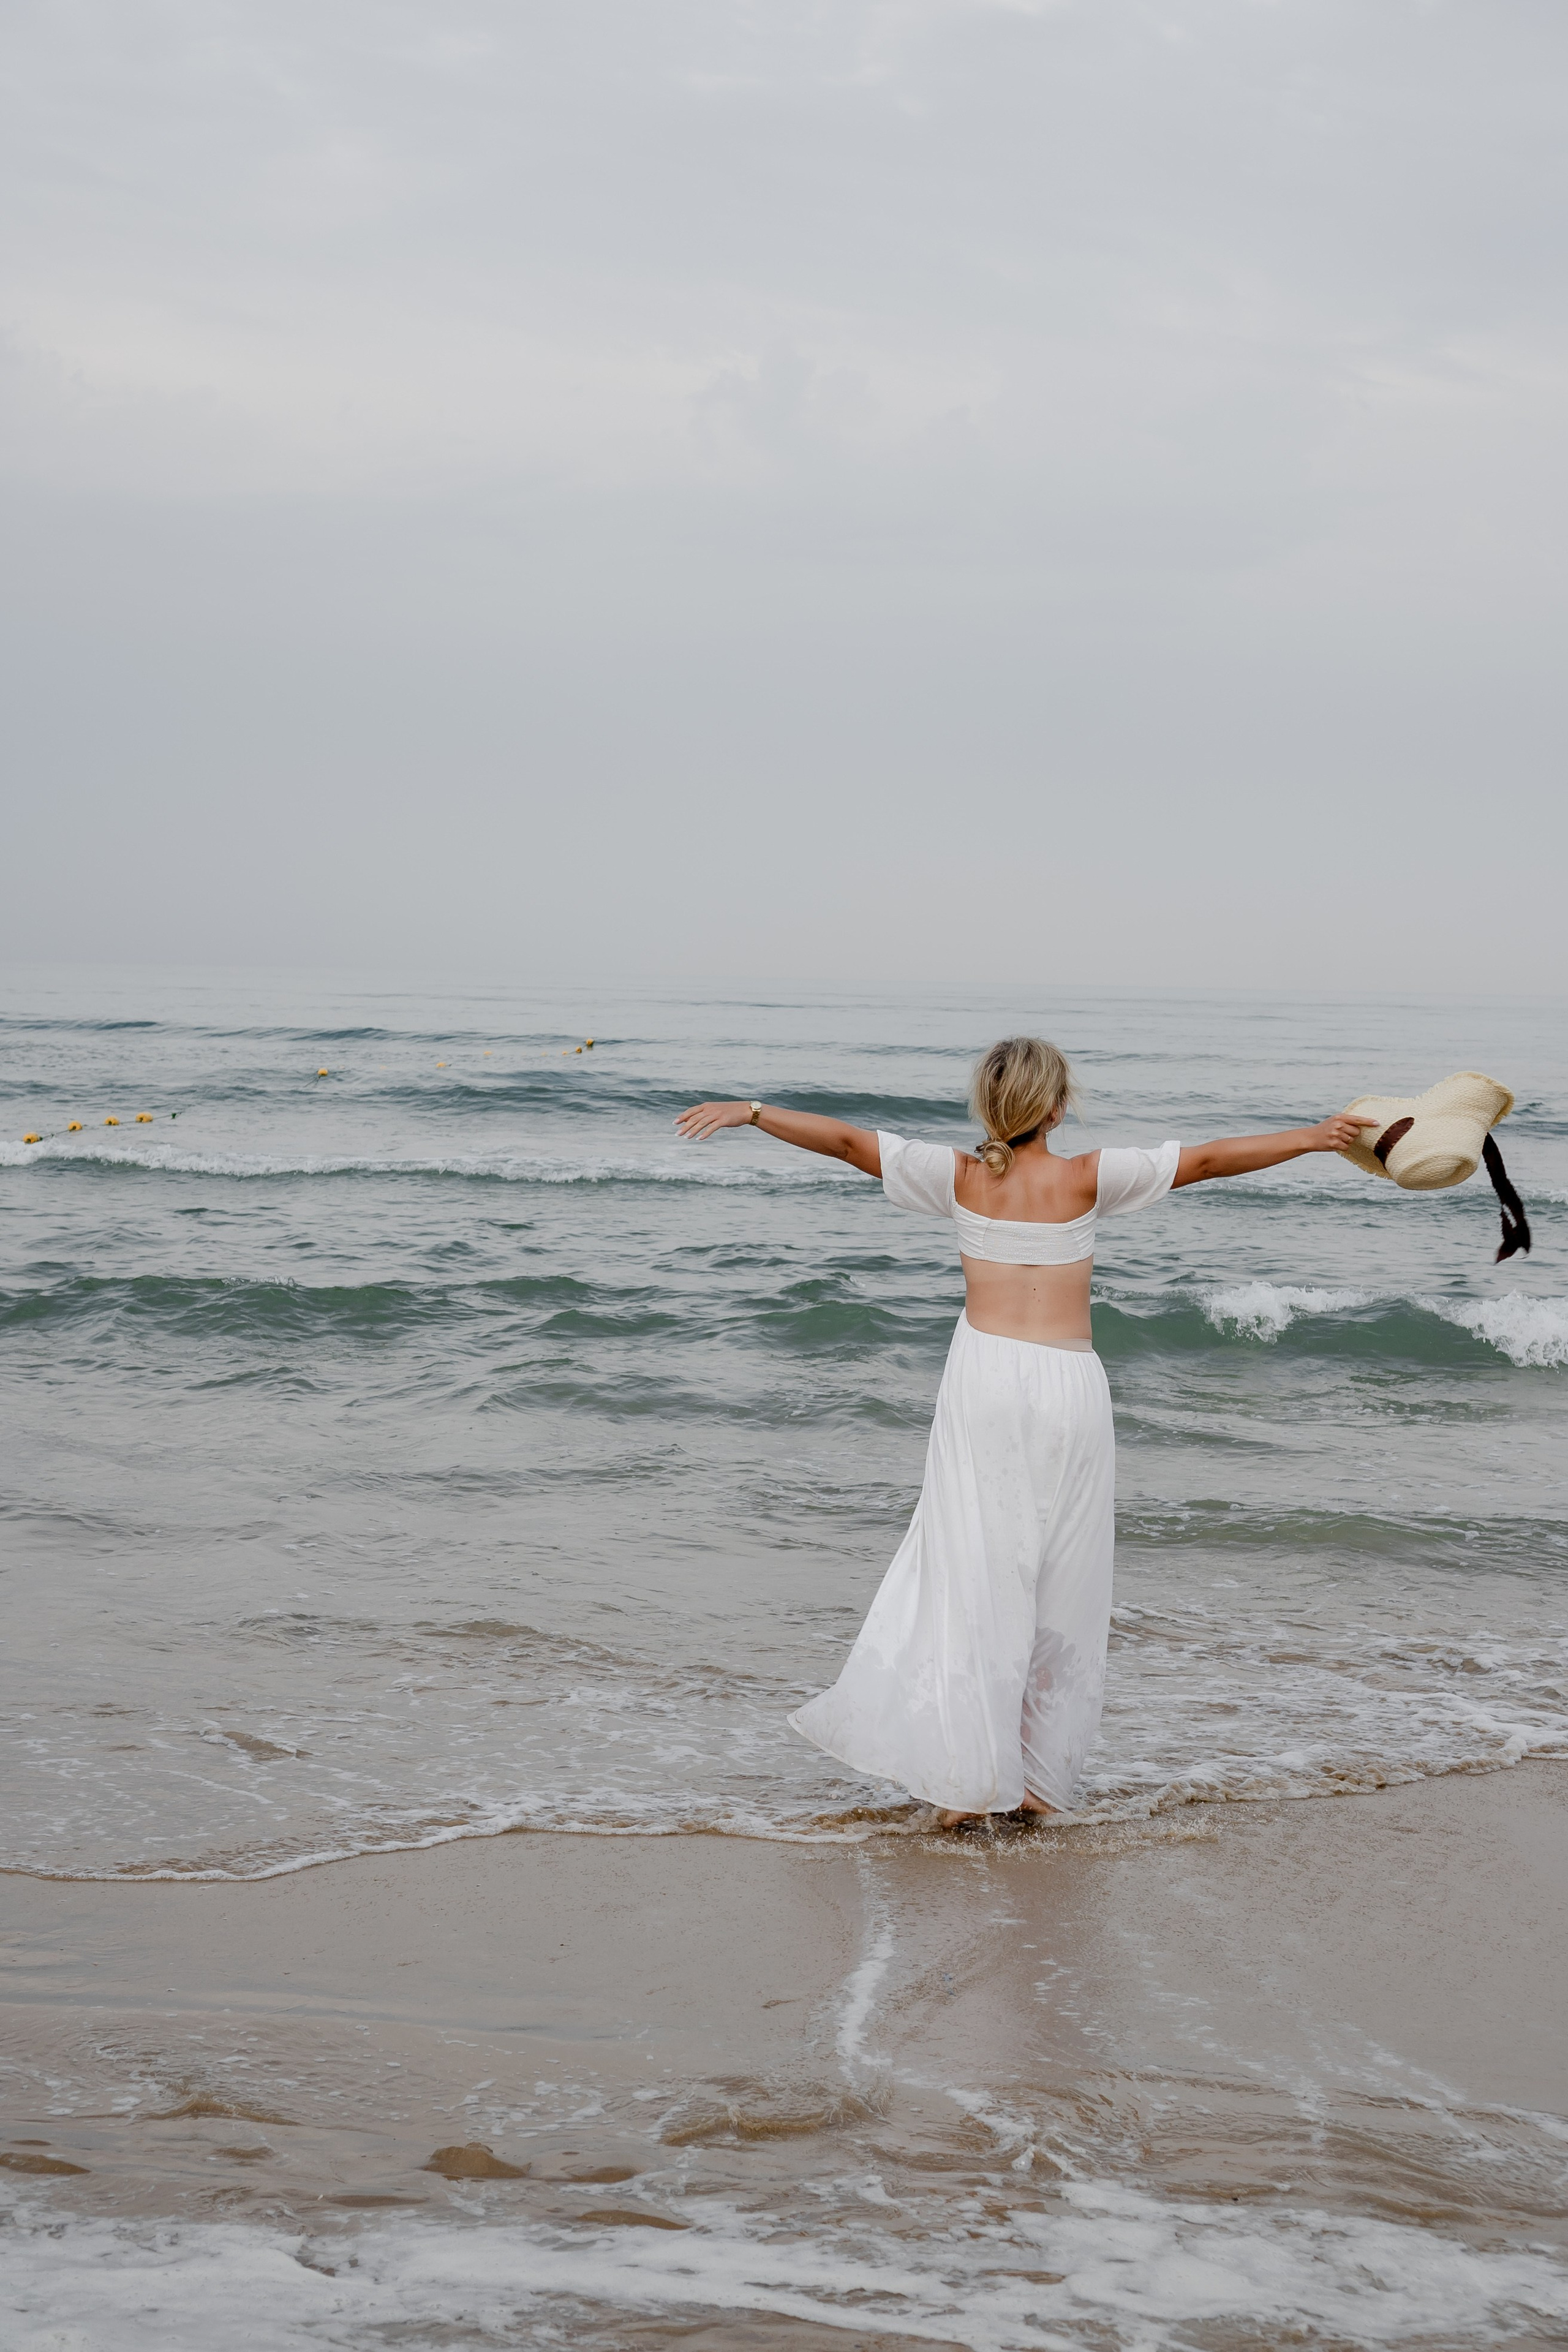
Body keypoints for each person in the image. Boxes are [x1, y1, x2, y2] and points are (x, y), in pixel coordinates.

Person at [676, 1038, 1365, 1828]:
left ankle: (966, 1782)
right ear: (1057, 1107)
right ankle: (1035, 1783)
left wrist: (753, 1112)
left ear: (989, 1109)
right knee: (1061, 1581)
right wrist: (1313, 1136)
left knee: (975, 1576)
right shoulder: (1088, 1176)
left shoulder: (960, 1176)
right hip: (1070, 1389)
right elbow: (1207, 1161)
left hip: (984, 1388)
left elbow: (844, 1141)